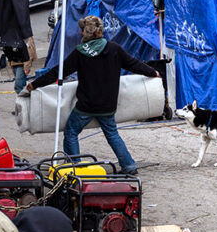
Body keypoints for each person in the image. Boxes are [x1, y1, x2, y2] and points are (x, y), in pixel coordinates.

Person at [27, 15, 160, 175]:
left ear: (87, 33)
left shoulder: (80, 53)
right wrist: (153, 72)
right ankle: (129, 166)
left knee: (71, 132)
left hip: (86, 106)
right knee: (112, 134)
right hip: (108, 105)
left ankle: (75, 166)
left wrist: (34, 84)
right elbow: (134, 64)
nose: (80, 33)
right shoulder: (114, 49)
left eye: (82, 30)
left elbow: (58, 72)